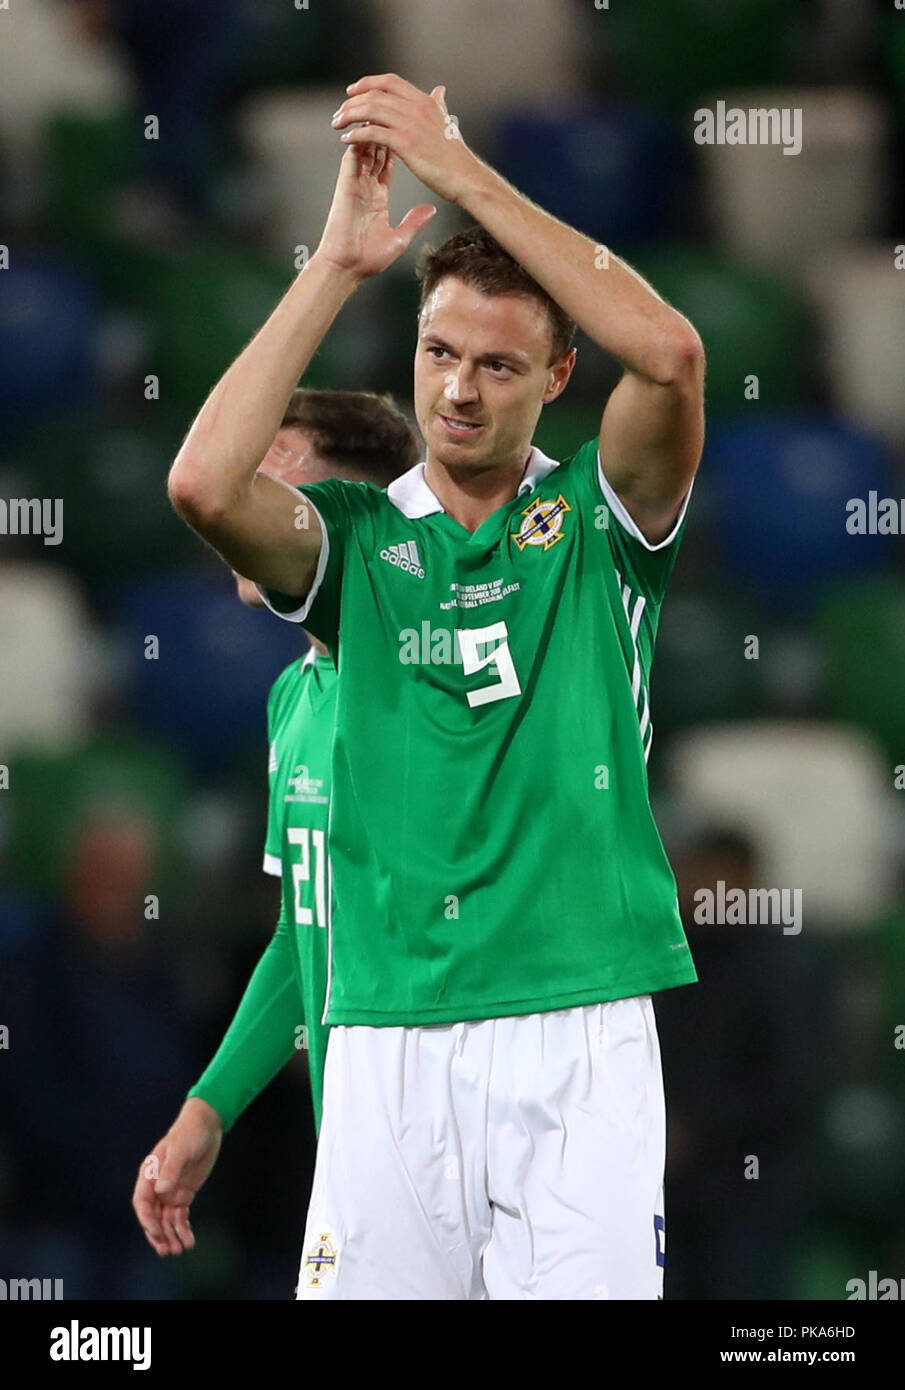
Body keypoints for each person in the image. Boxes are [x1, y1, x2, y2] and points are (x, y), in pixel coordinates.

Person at [167, 74, 705, 1300]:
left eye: (500, 366)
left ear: (559, 373)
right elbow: (201, 486)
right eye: (438, 351)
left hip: (576, 1022)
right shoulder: (353, 540)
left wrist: (454, 169)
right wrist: (340, 265)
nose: (458, 391)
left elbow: (670, 352)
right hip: (381, 1031)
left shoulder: (596, 520)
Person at [132, 389, 418, 1260]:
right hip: (352, 1149)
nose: (239, 513)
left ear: (346, 514)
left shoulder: (418, 676)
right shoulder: (292, 697)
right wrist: (206, 1107)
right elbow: (306, 933)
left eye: (268, 483)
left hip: (454, 1136)